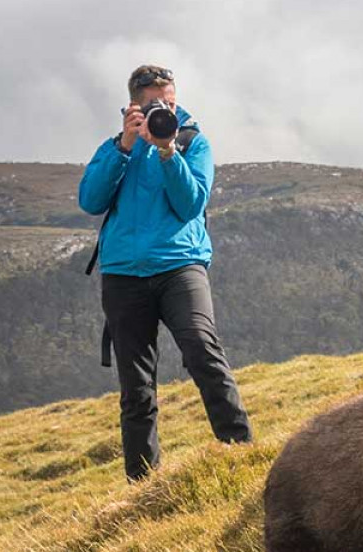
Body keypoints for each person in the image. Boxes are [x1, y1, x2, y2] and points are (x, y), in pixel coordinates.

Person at [78, 64, 252, 482]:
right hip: (123, 274)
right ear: (134, 103)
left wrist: (168, 151)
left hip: (180, 266)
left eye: (169, 102)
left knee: (202, 350)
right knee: (136, 386)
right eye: (155, 103)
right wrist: (124, 145)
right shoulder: (115, 147)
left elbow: (190, 203)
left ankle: (242, 454)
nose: (164, 109)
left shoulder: (193, 143)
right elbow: (90, 199)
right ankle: (143, 484)